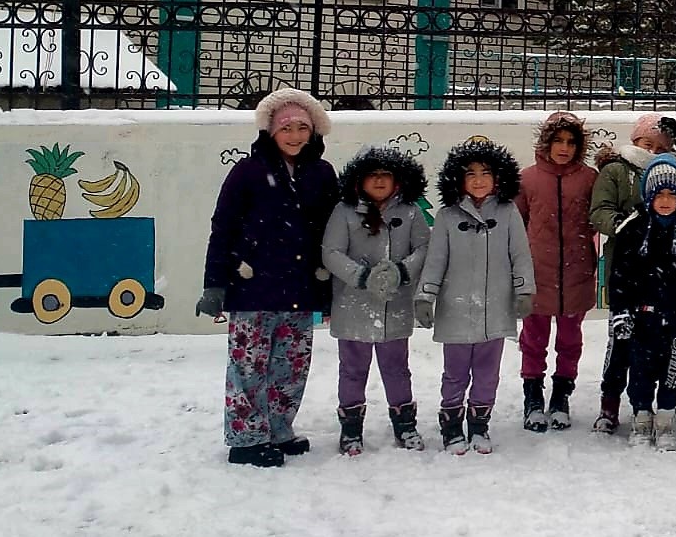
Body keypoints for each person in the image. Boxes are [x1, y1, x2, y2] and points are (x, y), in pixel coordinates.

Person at [196, 88, 340, 468]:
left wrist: (328, 288)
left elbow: (331, 232)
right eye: (287, 128)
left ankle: (278, 428)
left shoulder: (322, 174)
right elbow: (222, 228)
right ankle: (246, 439)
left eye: (302, 128)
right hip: (253, 286)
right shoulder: (248, 171)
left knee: (290, 365)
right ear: (271, 131)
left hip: (300, 286)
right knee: (249, 366)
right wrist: (214, 284)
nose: (294, 136)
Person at [587, 113, 676, 433]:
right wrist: (627, 228)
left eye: (661, 145)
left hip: (667, 284)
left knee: (659, 351)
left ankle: (655, 407)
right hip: (629, 273)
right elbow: (599, 210)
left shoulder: (673, 173)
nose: (653, 150)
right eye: (647, 143)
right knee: (621, 345)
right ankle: (609, 404)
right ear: (634, 141)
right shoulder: (617, 169)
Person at [416, 140, 535, 455]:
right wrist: (425, 296)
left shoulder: (508, 213)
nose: (479, 180)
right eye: (471, 174)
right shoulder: (446, 216)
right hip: (455, 309)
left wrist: (524, 290)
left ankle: (479, 426)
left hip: (494, 309)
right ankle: (452, 425)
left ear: (499, 177)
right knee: (455, 372)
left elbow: (520, 256)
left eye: (486, 173)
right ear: (458, 179)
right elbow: (435, 261)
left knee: (487, 373)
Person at [322, 145, 431, 455]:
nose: (380, 181)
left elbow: (424, 248)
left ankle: (405, 425)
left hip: (394, 307)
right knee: (352, 369)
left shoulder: (409, 212)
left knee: (397, 368)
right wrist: (361, 276)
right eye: (373, 176)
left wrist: (401, 271)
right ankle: (351, 429)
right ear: (359, 180)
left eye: (387, 176)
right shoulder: (344, 211)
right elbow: (330, 252)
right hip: (353, 305)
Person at [606, 154, 676, 451]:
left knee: (672, 369)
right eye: (659, 194)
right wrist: (621, 311)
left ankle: (665, 417)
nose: (665, 201)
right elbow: (620, 275)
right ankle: (642, 415)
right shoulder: (634, 229)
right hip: (642, 317)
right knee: (640, 370)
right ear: (648, 195)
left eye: (672, 195)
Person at [515, 112, 598, 432]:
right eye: (558, 141)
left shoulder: (589, 178)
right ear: (545, 143)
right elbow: (517, 225)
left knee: (570, 340)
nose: (564, 148)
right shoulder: (528, 179)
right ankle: (533, 396)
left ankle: (561, 395)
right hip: (538, 272)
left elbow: (597, 216)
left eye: (571, 142)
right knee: (533, 339)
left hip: (576, 271)